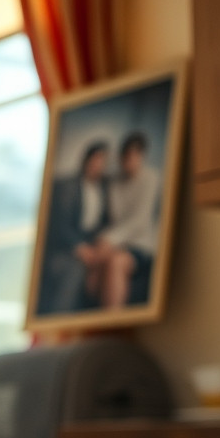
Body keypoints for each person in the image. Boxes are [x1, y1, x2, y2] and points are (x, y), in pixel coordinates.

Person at [80, 132, 159, 309]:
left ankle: (111, 319)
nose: (130, 160)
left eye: (135, 155)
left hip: (140, 244)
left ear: (141, 156)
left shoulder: (151, 178)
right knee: (96, 262)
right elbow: (110, 219)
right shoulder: (114, 183)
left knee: (115, 262)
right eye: (127, 156)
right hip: (115, 243)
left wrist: (107, 239)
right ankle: (90, 321)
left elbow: (140, 221)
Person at [36, 141, 110, 315]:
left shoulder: (105, 189)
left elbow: (105, 223)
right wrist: (79, 247)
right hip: (66, 246)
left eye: (102, 161)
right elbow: (59, 224)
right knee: (74, 269)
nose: (98, 165)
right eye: (95, 159)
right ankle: (60, 323)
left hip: (93, 245)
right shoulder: (68, 186)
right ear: (87, 160)